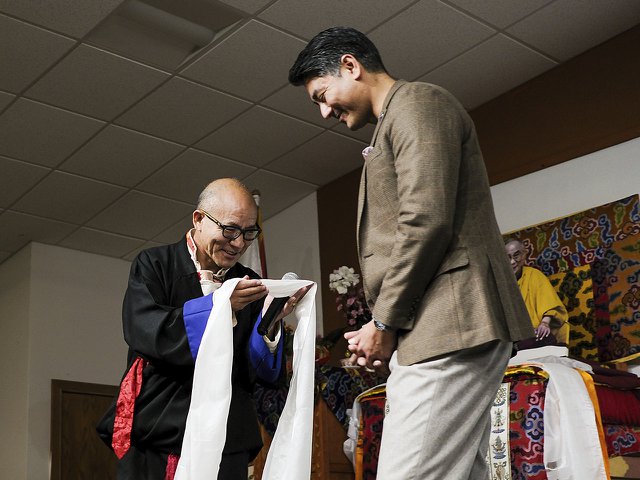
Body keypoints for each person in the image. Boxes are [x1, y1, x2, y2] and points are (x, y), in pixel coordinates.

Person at [289, 27, 534, 479]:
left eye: (323, 94)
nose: (325, 111)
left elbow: (426, 220)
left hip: (452, 327)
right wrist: (380, 326)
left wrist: (383, 322)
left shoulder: (420, 104)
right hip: (436, 329)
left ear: (350, 65)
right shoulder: (394, 124)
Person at [97, 178, 308, 480]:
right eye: (230, 229)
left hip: (229, 435)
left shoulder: (248, 280)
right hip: (166, 428)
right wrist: (220, 306)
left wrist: (271, 322)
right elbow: (145, 331)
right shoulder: (155, 264)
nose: (238, 243)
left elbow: (254, 370)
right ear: (199, 219)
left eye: (249, 232)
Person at [505, 238, 570, 346]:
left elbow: (551, 305)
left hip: (537, 333)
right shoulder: (502, 284)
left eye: (516, 255)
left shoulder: (535, 275)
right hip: (515, 338)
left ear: (524, 254)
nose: (512, 262)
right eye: (508, 258)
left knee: (545, 338)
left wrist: (544, 324)